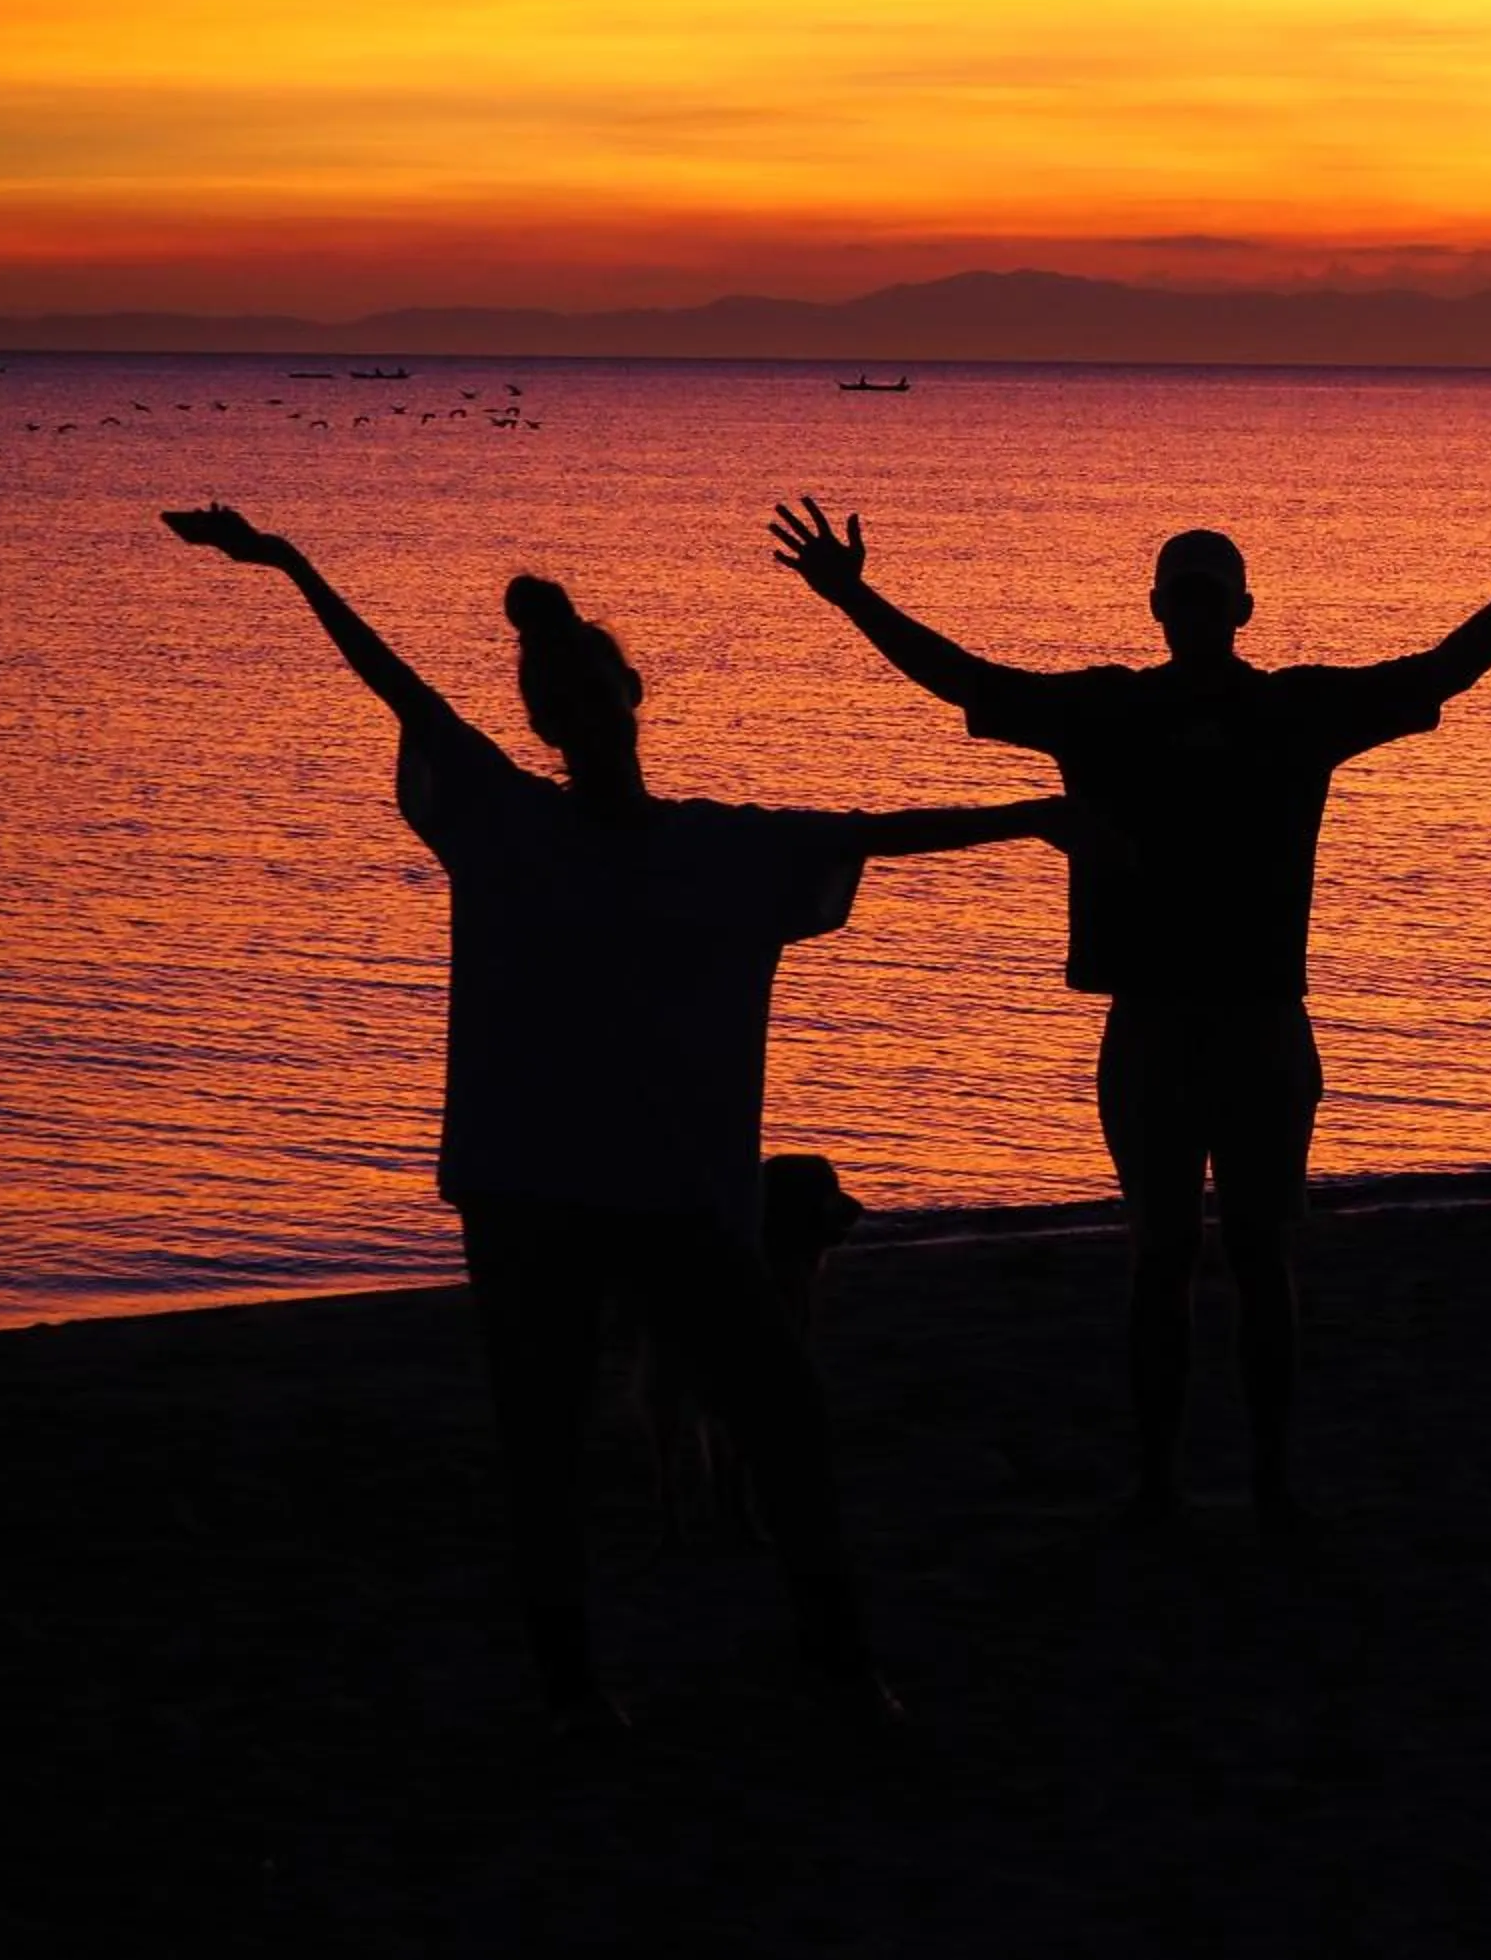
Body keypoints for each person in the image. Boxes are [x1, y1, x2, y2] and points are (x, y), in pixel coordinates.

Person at [165, 504, 1069, 1727]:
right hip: (550, 1193)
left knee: (766, 1413)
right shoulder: (518, 821)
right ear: (559, 716)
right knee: (556, 1441)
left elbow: (882, 833)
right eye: (569, 701)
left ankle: (830, 1666)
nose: (587, 716)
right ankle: (600, 1692)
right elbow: (398, 687)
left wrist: (1040, 819)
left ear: (627, 697)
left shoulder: (689, 845)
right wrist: (291, 568)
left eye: (596, 694)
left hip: (648, 1199)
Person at [766, 460, 1491, 1532]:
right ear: (1163, 609)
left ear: (1238, 610)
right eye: (1184, 595)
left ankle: (1267, 1482)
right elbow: (964, 681)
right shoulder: (1120, 710)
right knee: (1163, 1254)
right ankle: (1166, 1482)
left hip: (1249, 1024)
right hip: (1160, 1025)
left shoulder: (1287, 710)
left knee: (1253, 1254)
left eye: (1210, 595)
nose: (1197, 612)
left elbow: (1448, 666)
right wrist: (853, 599)